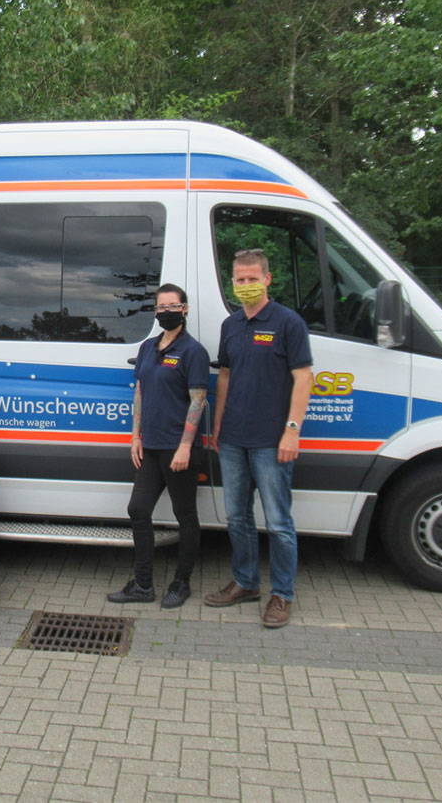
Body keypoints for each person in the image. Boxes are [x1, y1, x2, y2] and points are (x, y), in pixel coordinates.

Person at [205, 249, 312, 629]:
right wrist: (217, 427)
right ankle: (246, 583)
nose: (245, 286)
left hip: (272, 440)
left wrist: (292, 431)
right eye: (239, 280)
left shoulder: (288, 323)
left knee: (279, 522)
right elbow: (225, 377)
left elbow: (304, 377)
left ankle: (282, 595)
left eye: (252, 279)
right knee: (237, 517)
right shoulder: (230, 325)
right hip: (232, 438)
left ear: (268, 279)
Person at [107, 284, 209, 609]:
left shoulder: (193, 351)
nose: (166, 311)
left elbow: (198, 401)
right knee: (138, 510)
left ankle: (181, 583)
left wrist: (185, 447)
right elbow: (140, 393)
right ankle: (143, 585)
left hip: (178, 449)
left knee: (185, 516)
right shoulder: (150, 347)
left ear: (185, 309)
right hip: (149, 447)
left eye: (172, 305)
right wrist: (135, 436)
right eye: (161, 306)